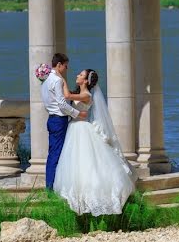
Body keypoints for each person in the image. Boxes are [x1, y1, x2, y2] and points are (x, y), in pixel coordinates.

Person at [53, 69, 137, 215]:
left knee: (87, 162)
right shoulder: (81, 92)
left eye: (80, 75)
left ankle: (90, 197)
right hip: (74, 127)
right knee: (76, 162)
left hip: (81, 129)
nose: (77, 75)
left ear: (86, 81)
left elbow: (66, 96)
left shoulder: (86, 95)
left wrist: (61, 78)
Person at [41, 53, 86, 190]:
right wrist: (78, 113)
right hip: (59, 120)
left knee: (53, 152)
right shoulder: (57, 80)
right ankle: (51, 187)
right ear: (59, 64)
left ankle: (51, 185)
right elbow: (62, 104)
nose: (66, 69)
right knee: (57, 153)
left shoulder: (45, 79)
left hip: (51, 118)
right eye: (65, 66)